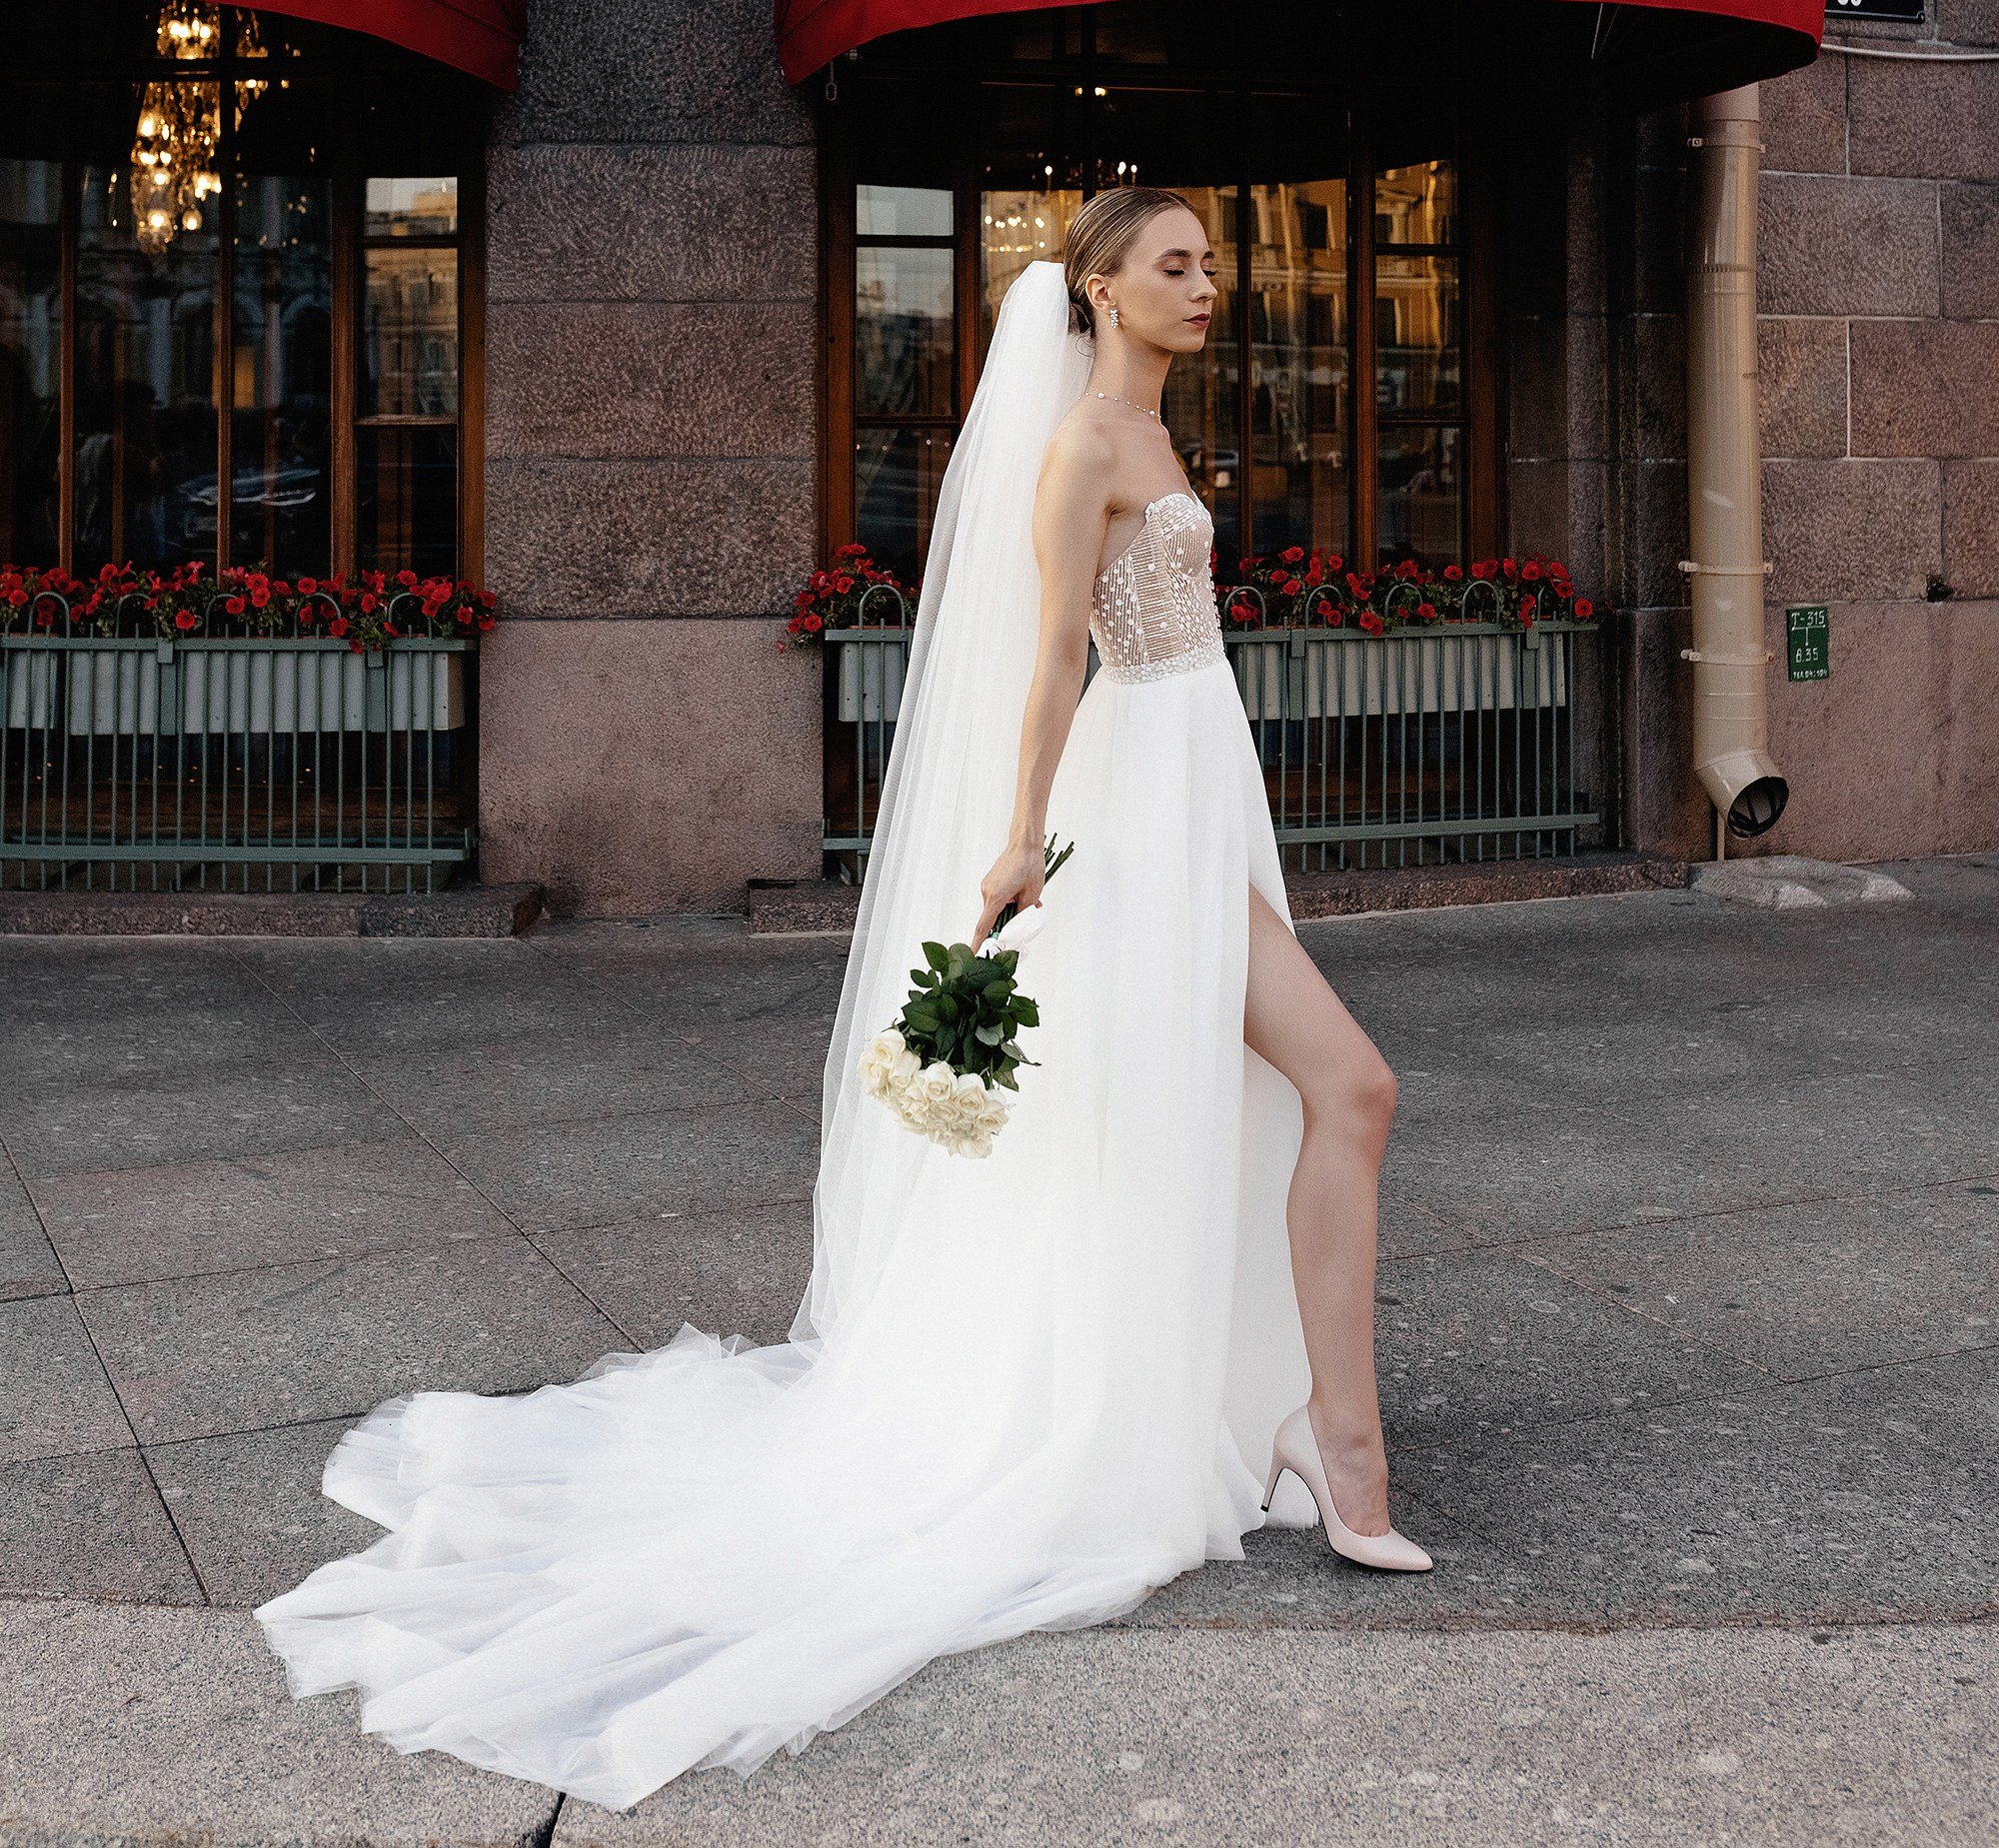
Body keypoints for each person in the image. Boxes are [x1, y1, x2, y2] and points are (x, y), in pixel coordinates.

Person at [256, 187, 1427, 1807]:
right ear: (1098, 287)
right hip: (1136, 813)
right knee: (1341, 1088)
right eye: (1177, 265)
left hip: (1194, 786)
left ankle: (1305, 1428)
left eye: (1211, 264)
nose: (1209, 286)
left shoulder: (1158, 440)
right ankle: (1334, 1447)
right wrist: (1022, 840)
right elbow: (1049, 665)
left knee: (1271, 1102)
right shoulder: (1085, 444)